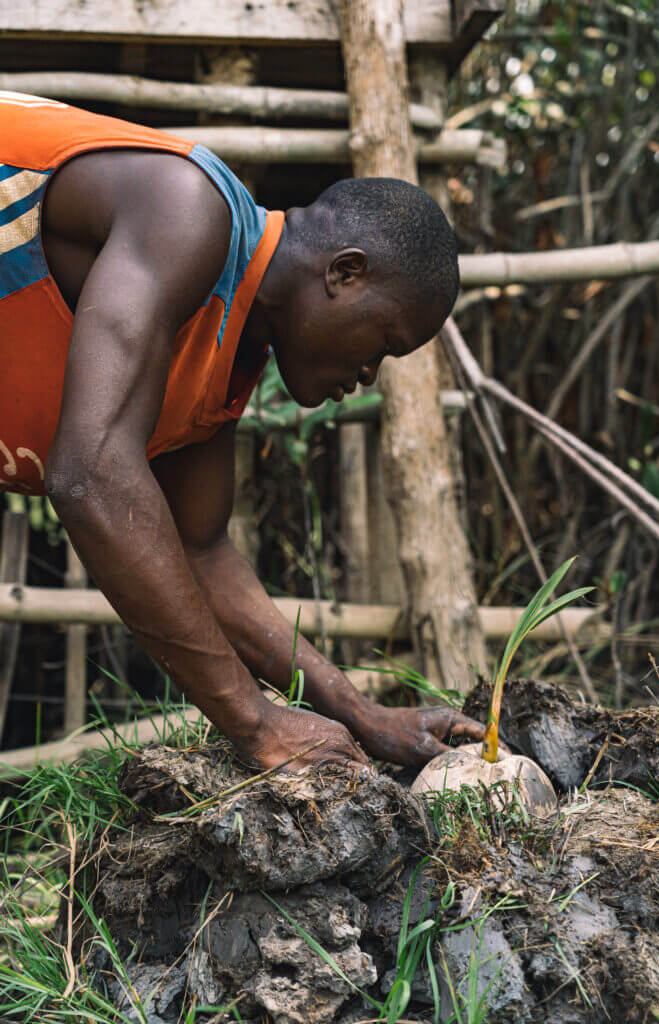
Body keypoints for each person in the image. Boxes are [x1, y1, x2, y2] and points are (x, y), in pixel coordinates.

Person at [0, 92, 484, 770]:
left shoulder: (221, 354)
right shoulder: (187, 209)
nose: (370, 373)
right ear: (345, 273)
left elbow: (199, 554)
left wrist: (354, 711)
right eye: (384, 342)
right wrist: (253, 722)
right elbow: (90, 476)